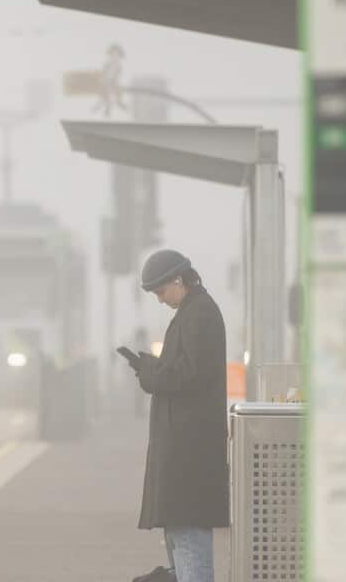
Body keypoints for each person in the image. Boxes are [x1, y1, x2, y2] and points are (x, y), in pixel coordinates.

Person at [129, 249, 229, 582]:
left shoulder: (199, 314)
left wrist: (151, 376)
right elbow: (182, 368)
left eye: (160, 292)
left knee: (189, 548)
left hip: (190, 456)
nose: (159, 300)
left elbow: (189, 375)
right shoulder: (192, 311)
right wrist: (148, 365)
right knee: (181, 545)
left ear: (177, 279)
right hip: (184, 453)